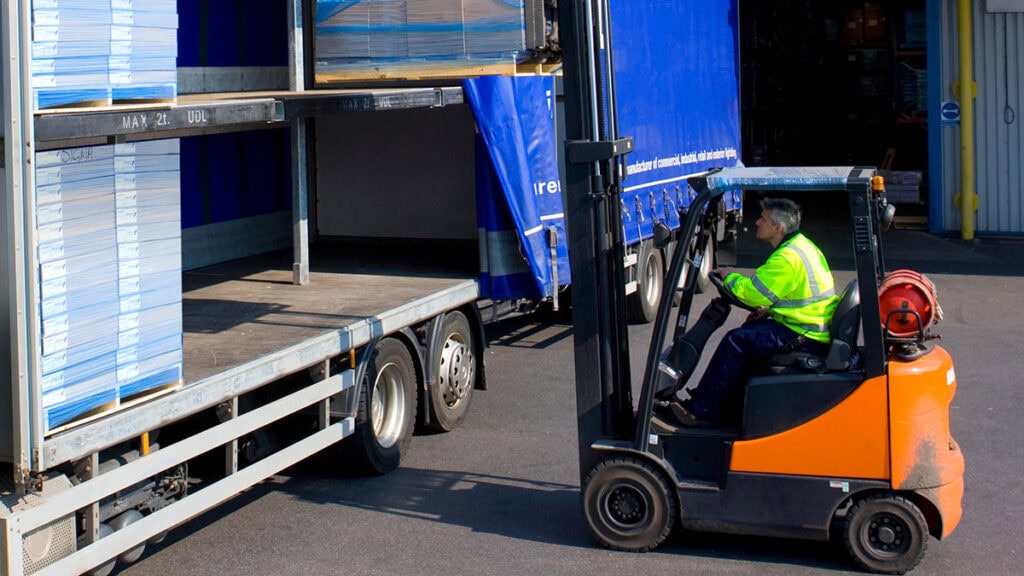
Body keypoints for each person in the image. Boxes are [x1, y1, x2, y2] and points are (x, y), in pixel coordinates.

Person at [670, 197, 840, 427]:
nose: (757, 222)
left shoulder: (787, 258)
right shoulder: (802, 246)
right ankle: (721, 404)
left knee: (735, 342)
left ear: (777, 228)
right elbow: (796, 293)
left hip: (804, 335)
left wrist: (729, 276)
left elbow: (753, 293)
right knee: (749, 332)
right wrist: (769, 311)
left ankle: (701, 412)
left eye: (763, 219)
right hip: (808, 327)